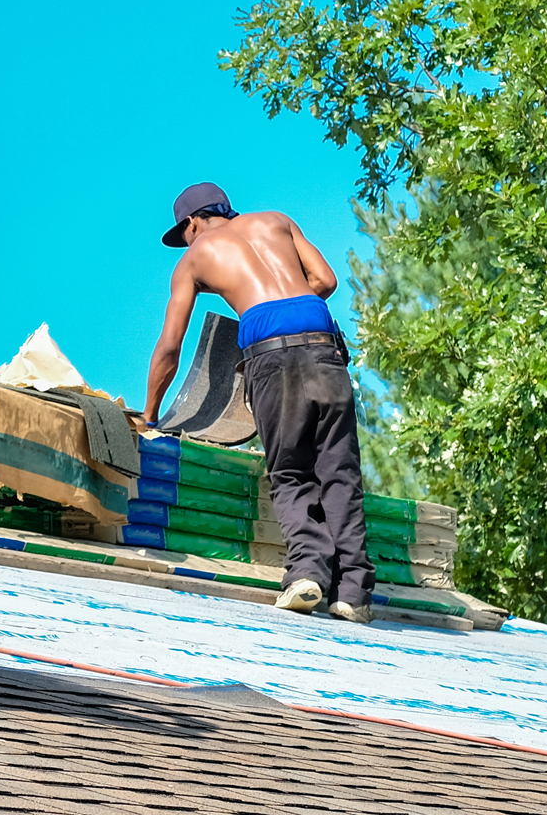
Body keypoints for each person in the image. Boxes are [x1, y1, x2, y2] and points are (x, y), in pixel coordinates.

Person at [142, 183, 376, 623]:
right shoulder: (277, 220)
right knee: (339, 470)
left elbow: (170, 348)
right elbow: (326, 281)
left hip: (270, 356)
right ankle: (354, 593)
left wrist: (150, 413)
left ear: (192, 224)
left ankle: (307, 573)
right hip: (323, 341)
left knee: (289, 470)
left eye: (185, 233)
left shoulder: (194, 258)